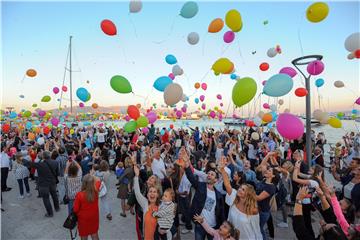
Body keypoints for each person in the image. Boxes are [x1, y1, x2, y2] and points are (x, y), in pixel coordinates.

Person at [183, 149, 225, 240]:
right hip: (200, 225)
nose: (209, 175)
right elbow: (191, 177)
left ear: (216, 180)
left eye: (212, 174)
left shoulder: (219, 196)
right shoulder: (201, 186)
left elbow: (221, 213)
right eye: (208, 174)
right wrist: (186, 164)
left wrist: (221, 227)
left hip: (213, 227)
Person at [219, 157, 262, 240]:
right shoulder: (234, 199)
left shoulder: (253, 210)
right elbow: (228, 185)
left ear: (248, 195)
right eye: (240, 188)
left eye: (243, 190)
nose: (239, 190)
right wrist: (222, 169)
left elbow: (256, 230)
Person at [25, 150, 60, 217]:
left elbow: (29, 164)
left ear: (43, 157)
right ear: (49, 155)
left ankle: (50, 213)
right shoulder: (55, 162)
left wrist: (21, 159)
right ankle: (57, 208)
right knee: (54, 195)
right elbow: (57, 173)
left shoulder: (40, 164)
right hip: (52, 183)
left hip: (43, 184)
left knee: (46, 199)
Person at [133, 162, 161, 240]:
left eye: (154, 192)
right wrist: (136, 176)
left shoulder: (161, 206)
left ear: (158, 194)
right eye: (150, 192)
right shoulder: (145, 203)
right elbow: (137, 193)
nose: (152, 194)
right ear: (147, 194)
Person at [73, 174, 101, 240]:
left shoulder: (79, 195)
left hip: (83, 219)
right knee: (94, 234)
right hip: (94, 217)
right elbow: (99, 180)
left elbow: (75, 210)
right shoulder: (96, 191)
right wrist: (91, 175)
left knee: (84, 236)